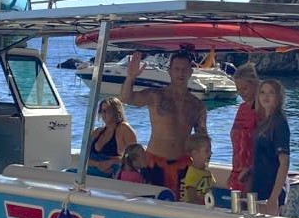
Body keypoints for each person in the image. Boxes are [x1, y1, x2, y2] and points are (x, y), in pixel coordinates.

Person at [120, 47, 208, 196]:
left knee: (180, 205)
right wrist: (130, 77)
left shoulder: (197, 105)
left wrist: (203, 165)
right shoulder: (156, 96)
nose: (181, 73)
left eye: (184, 69)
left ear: (191, 72)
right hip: (155, 162)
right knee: (151, 202)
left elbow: (202, 139)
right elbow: (126, 98)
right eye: (177, 69)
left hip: (183, 164)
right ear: (169, 71)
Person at [252, 78, 290, 215]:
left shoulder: (279, 122)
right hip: (260, 185)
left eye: (271, 93)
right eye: (262, 92)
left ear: (278, 97)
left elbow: (284, 162)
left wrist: (274, 198)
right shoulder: (264, 122)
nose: (266, 96)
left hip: (271, 190)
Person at [228, 62, 261, 193]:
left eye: (245, 88)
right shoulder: (242, 108)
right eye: (238, 89)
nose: (241, 93)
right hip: (237, 171)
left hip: (254, 173)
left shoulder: (263, 110)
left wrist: (251, 170)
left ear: (256, 84)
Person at [87, 97, 137, 178]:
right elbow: (85, 157)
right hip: (94, 169)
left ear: (116, 112)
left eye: (106, 111)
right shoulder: (97, 132)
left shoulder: (124, 129)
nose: (103, 114)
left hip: (112, 173)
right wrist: (98, 164)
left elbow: (134, 159)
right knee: (70, 172)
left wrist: (111, 162)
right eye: (101, 111)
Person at [181, 135, 216, 205]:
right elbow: (191, 198)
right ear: (195, 153)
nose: (210, 153)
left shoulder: (207, 173)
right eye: (207, 151)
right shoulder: (192, 173)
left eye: (210, 151)